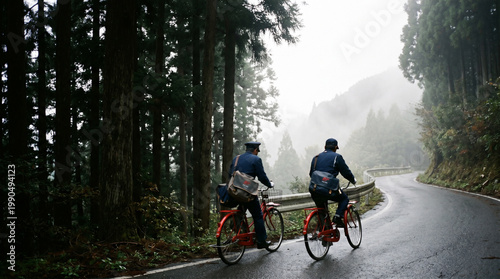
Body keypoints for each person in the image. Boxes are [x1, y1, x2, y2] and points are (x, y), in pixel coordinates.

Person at [228, 141, 273, 249]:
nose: (257, 153)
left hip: (234, 191)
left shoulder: (237, 158)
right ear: (255, 150)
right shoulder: (256, 159)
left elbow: (230, 173)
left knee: (241, 210)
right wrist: (269, 184)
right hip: (247, 192)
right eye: (257, 151)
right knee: (257, 216)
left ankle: (236, 227)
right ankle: (261, 241)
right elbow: (262, 177)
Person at [309, 138, 356, 227]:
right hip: (328, 189)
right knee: (344, 199)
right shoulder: (337, 157)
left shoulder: (315, 158)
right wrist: (352, 180)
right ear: (335, 147)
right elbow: (345, 172)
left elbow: (311, 174)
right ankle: (337, 217)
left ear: (324, 147)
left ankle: (322, 231)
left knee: (321, 209)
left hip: (314, 189)